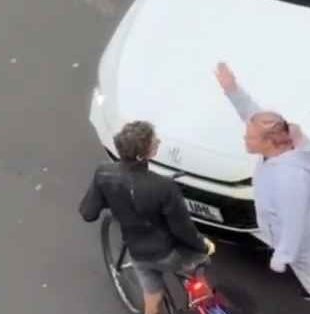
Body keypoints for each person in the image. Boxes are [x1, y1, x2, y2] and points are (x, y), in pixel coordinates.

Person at [214, 62, 310, 314]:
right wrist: (232, 89)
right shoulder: (279, 145)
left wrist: (283, 255)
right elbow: (251, 114)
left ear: (269, 142)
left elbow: (293, 221)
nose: (245, 138)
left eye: (251, 137)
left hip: (301, 242)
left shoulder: (288, 178)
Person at [79, 120, 215, 314]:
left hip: (139, 254)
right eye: (154, 141)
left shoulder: (104, 173)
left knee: (153, 297)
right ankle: (206, 303)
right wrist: (203, 246)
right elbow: (183, 229)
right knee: (201, 260)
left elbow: (88, 213)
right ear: (144, 154)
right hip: (169, 254)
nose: (158, 141)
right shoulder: (164, 187)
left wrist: (116, 200)